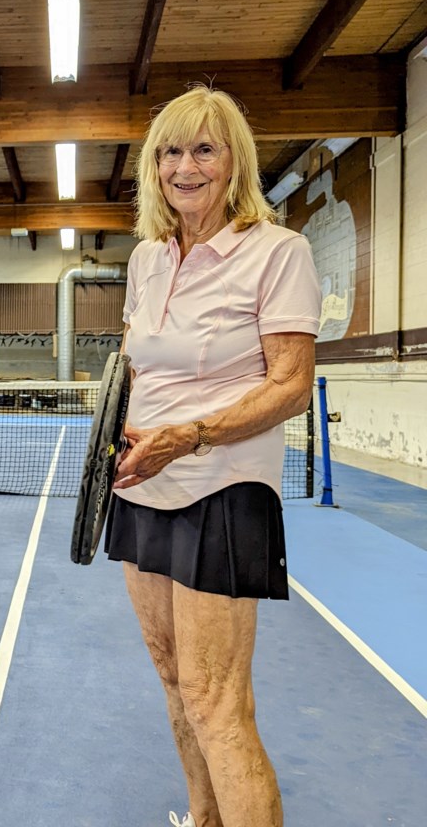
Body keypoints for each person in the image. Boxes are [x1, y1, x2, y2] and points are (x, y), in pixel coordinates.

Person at [106, 85, 321, 827]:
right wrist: (123, 432)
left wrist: (189, 436)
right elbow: (139, 370)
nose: (184, 166)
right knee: (172, 676)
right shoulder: (146, 260)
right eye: (170, 150)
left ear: (235, 162)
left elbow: (292, 386)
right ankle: (204, 819)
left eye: (204, 149)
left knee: (217, 700)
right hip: (140, 488)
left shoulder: (277, 252)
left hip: (222, 490)